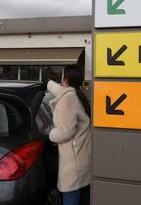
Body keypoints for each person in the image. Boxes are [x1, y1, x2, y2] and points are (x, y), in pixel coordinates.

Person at [46, 64, 91, 205]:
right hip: (83, 159)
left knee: (71, 199)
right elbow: (60, 90)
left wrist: (50, 134)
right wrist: (48, 84)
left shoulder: (68, 100)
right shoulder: (77, 94)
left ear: (65, 80)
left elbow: (64, 133)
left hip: (73, 164)